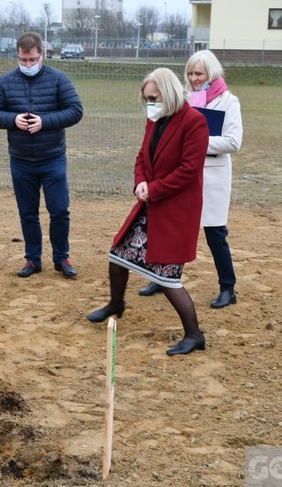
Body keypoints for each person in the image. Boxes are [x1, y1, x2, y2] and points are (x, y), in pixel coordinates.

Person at [86, 68, 210, 356]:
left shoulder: (194, 122)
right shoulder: (155, 118)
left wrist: (153, 189)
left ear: (168, 93)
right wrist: (140, 181)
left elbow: (189, 171)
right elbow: (142, 155)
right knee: (117, 254)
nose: (150, 103)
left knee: (167, 277)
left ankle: (194, 334)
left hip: (176, 209)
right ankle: (116, 304)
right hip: (151, 203)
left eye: (153, 97)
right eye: (146, 99)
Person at [138, 50, 243, 309]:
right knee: (173, 229)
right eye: (190, 73)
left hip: (212, 175)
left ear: (212, 72)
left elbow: (233, 141)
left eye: (199, 73)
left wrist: (194, 144)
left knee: (215, 233)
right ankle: (162, 278)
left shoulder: (229, 102)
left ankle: (227, 287)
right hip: (182, 174)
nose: (194, 78)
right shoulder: (185, 99)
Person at [0, 32, 84, 279]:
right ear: (17, 56)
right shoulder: (6, 82)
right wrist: (13, 119)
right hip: (20, 161)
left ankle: (62, 259)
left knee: (59, 210)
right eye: (22, 60)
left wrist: (45, 121)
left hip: (52, 158)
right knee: (28, 213)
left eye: (32, 60)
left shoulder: (58, 79)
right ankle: (32, 260)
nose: (27, 65)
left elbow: (75, 110)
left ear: (42, 54)